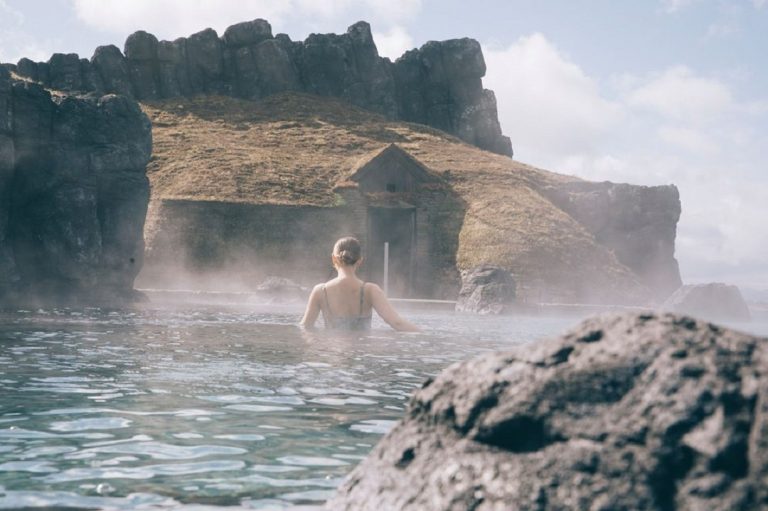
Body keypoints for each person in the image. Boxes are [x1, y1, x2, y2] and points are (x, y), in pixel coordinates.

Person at [300, 237, 419, 332]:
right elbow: (397, 323)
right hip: (362, 354)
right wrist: (424, 334)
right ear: (360, 260)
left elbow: (305, 327)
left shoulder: (320, 291)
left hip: (332, 353)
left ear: (333, 259)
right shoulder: (371, 290)